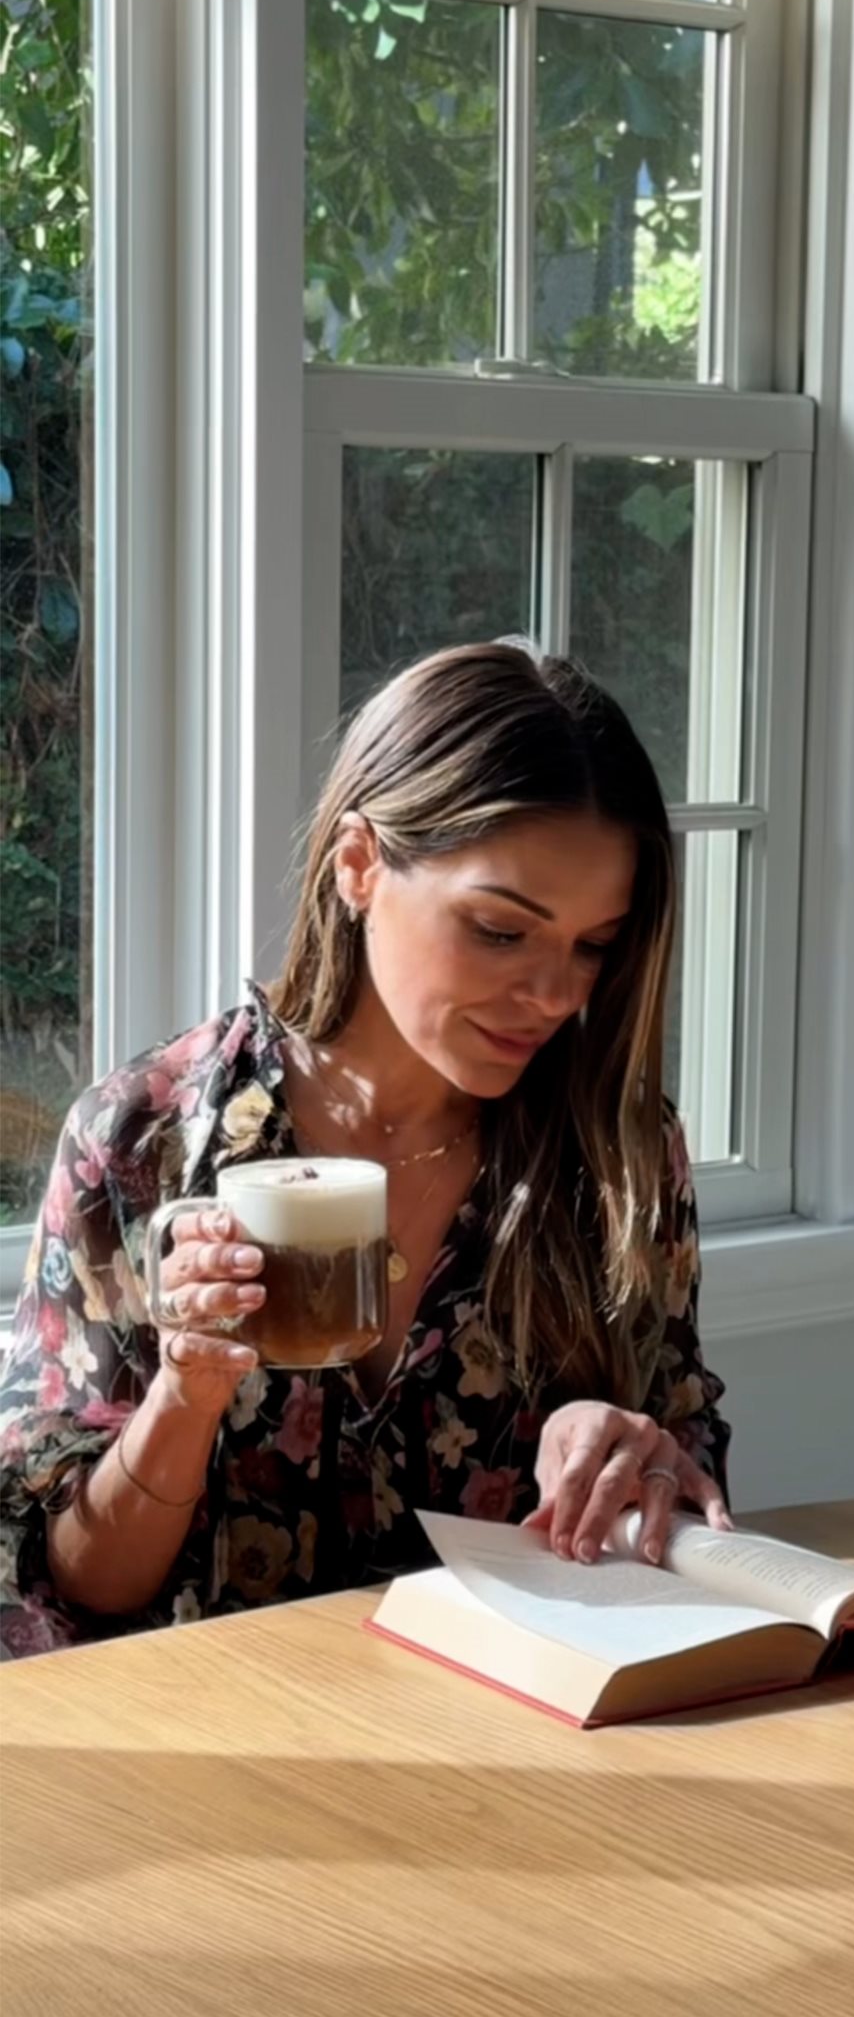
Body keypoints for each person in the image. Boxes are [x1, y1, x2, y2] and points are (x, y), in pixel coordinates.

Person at [0, 644, 731, 1659]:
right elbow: (77, 1587)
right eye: (500, 930)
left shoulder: (620, 1154)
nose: (556, 994)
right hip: (227, 1734)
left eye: (592, 944)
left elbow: (686, 1515)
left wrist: (631, 1464)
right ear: (358, 864)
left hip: (510, 1733)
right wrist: (185, 1395)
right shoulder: (143, 1141)